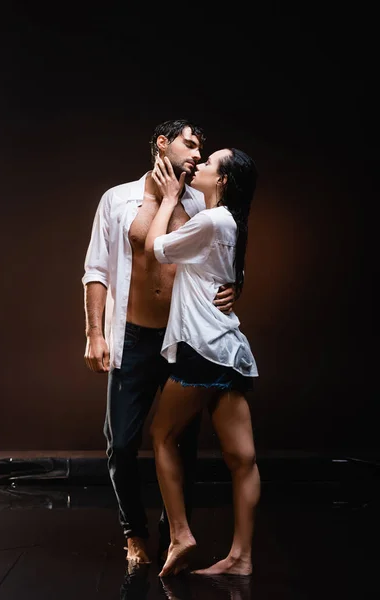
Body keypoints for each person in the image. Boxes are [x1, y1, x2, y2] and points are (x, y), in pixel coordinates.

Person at [82, 119, 237, 566]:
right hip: (131, 337)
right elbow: (96, 270)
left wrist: (236, 283)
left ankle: (176, 535)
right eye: (190, 144)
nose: (196, 153)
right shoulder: (117, 199)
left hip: (182, 337)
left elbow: (224, 247)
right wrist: (94, 333)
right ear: (162, 144)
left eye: (200, 148)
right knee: (122, 443)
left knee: (183, 443)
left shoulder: (201, 200)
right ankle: (134, 533)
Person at [145, 148, 260, 578]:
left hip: (201, 348)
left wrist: (171, 197)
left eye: (209, 163)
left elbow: (157, 249)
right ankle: (241, 558)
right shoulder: (234, 225)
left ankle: (180, 535)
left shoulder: (211, 220)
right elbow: (227, 274)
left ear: (223, 181)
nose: (200, 165)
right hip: (229, 350)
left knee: (162, 436)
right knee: (242, 458)